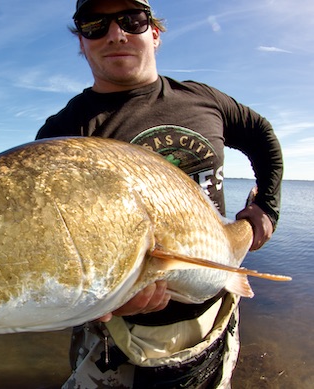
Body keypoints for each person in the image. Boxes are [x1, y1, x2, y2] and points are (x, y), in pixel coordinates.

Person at [35, 0, 284, 388]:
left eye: (131, 20)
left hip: (216, 314)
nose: (115, 33)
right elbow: (54, 253)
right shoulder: (63, 134)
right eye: (94, 24)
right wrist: (102, 304)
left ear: (154, 32)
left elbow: (263, 136)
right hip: (118, 339)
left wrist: (265, 211)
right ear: (81, 42)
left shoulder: (204, 99)